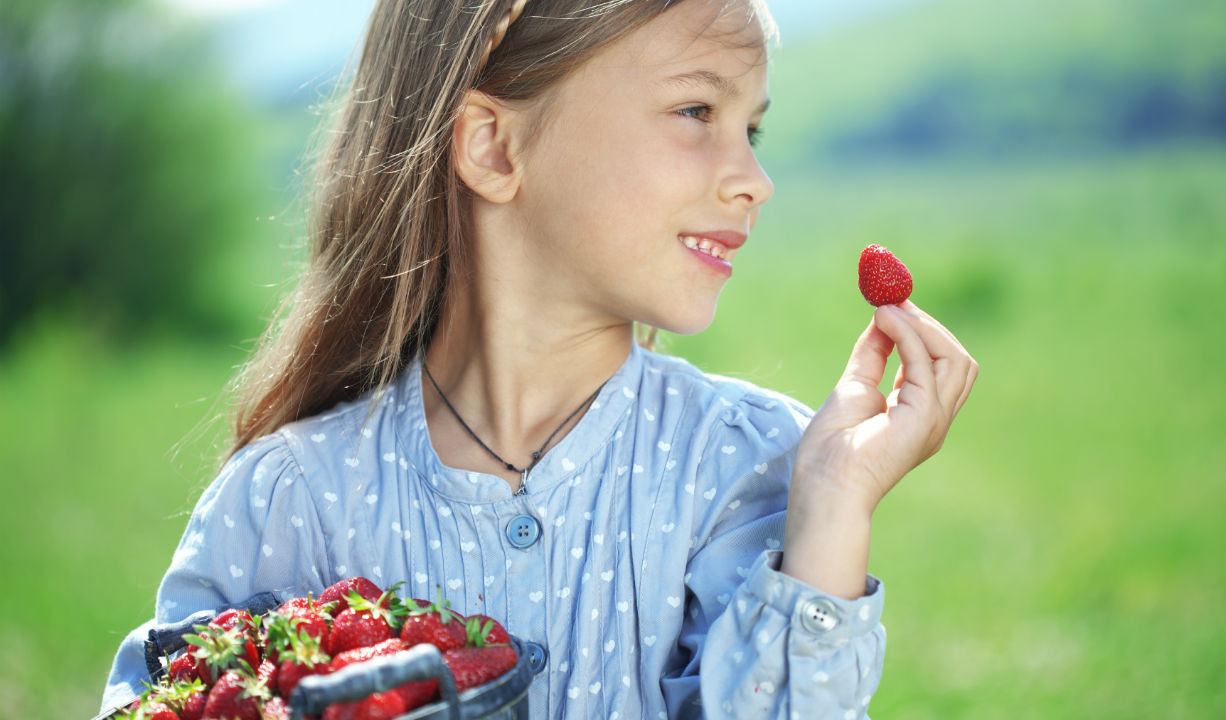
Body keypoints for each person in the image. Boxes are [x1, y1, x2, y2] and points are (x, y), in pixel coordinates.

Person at [102, 0, 978, 717]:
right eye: (696, 112)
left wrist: (829, 512)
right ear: (494, 145)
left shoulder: (750, 468)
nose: (753, 176)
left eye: (752, 127)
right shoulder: (288, 499)